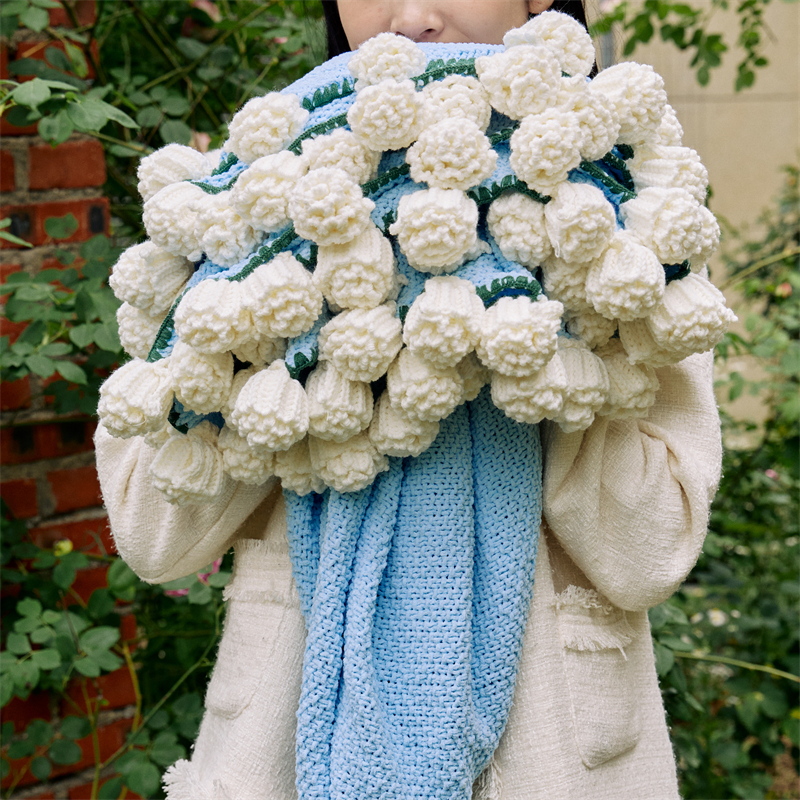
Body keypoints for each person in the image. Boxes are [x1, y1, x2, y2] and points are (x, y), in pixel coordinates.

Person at [95, 2, 724, 798]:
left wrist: (530, 322)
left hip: (557, 763)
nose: (412, 16)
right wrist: (295, 316)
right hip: (281, 758)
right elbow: (153, 537)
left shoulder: (624, 215)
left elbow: (650, 551)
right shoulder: (258, 195)